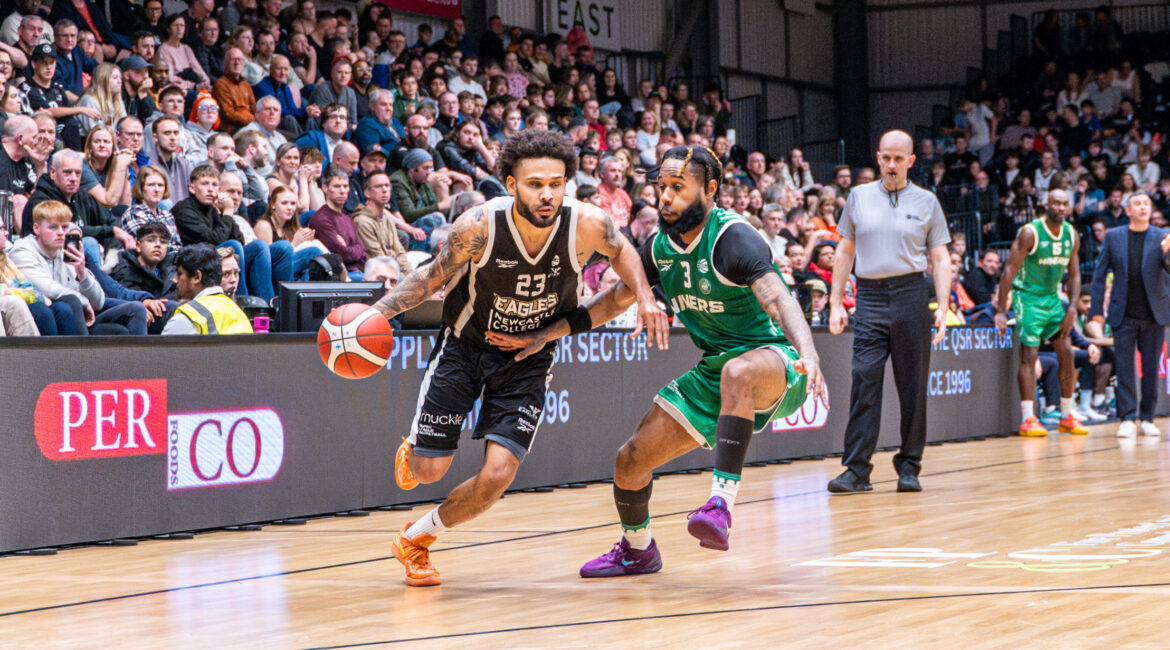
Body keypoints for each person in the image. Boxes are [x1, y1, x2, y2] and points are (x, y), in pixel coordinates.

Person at [490, 144, 824, 576]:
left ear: (711, 190)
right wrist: (547, 333)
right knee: (629, 461)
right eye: (661, 187)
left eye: (678, 188)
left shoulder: (733, 238)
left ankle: (720, 505)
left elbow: (780, 300)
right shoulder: (658, 248)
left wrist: (810, 354)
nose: (664, 197)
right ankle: (638, 549)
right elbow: (614, 301)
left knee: (738, 371)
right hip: (716, 370)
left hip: (778, 361)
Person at [372, 129, 666, 587]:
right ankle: (417, 447)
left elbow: (623, 249)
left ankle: (415, 540)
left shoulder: (587, 222)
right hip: (465, 348)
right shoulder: (479, 225)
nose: (546, 193)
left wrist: (645, 297)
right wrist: (371, 316)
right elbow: (431, 278)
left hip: (529, 358)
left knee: (497, 475)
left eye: (555, 182)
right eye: (534, 184)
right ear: (511, 184)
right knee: (429, 471)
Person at [826, 130, 951, 494]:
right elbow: (845, 251)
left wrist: (942, 307)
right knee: (864, 379)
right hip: (870, 298)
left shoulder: (928, 202)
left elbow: (940, 259)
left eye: (899, 159)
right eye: (886, 158)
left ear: (911, 161)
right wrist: (836, 302)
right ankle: (857, 469)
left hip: (912, 295)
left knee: (912, 387)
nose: (892, 165)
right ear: (878, 158)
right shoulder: (858, 197)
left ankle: (909, 465)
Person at [994, 189, 1088, 437]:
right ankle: (1028, 418)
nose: (1060, 207)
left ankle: (1067, 415)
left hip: (1052, 299)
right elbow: (1008, 272)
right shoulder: (1030, 232)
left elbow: (1075, 274)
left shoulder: (1071, 234)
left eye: (1064, 203)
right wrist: (1001, 311)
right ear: (1046, 205)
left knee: (1066, 352)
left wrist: (1072, 307)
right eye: (1055, 203)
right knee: (1030, 355)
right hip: (1027, 297)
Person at [1089, 193, 1170, 438]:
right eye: (1138, 203)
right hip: (1122, 312)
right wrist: (1095, 312)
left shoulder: (1161, 236)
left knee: (1149, 367)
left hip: (1154, 312)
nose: (1143, 207)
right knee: (1124, 367)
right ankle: (1126, 417)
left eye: (1147, 203)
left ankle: (1147, 417)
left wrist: (1168, 253)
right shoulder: (1114, 237)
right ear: (1128, 210)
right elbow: (1100, 275)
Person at [162, 242, 253, 335]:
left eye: (179, 273)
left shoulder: (186, 318)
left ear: (197, 277)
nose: (174, 280)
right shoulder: (239, 313)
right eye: (226, 274)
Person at [308, 167, 366, 277]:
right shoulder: (321, 218)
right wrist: (354, 250)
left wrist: (350, 249)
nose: (342, 191)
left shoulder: (348, 218)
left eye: (345, 186)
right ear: (325, 188)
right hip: (339, 277)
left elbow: (363, 252)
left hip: (357, 272)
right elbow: (341, 255)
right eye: (337, 186)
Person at [110, 221, 176, 299]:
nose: (158, 245)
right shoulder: (124, 269)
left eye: (163, 242)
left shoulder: (171, 271)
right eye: (151, 240)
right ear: (138, 246)